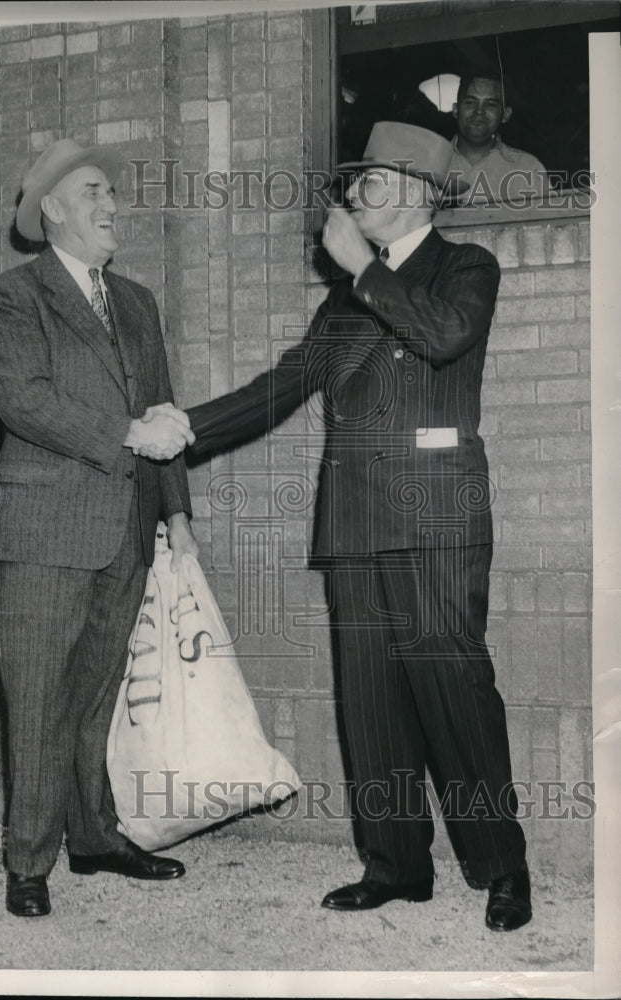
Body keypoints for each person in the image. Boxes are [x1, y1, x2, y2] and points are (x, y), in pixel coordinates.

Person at [150, 122, 532, 932]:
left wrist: (363, 270)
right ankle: (396, 867)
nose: (353, 190)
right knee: (372, 704)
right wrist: (188, 425)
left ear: (422, 192)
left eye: (373, 179)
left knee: (454, 691)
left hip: (436, 517)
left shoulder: (466, 268)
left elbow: (444, 338)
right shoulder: (345, 298)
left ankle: (502, 866)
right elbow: (285, 382)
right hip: (355, 522)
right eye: (354, 179)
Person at [0, 138, 198, 918]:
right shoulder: (12, 298)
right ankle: (28, 863)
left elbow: (162, 405)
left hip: (126, 529)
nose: (113, 206)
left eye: (113, 193)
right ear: (55, 212)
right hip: (45, 530)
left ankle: (95, 838)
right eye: (96, 192)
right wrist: (130, 436)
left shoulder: (136, 301)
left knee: (96, 696)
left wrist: (176, 515)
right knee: (36, 701)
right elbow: (25, 402)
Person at [448, 73, 549, 205]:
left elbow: (549, 224)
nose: (479, 111)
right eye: (470, 102)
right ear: (456, 110)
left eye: (490, 104)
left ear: (505, 115)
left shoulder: (529, 168)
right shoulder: (428, 165)